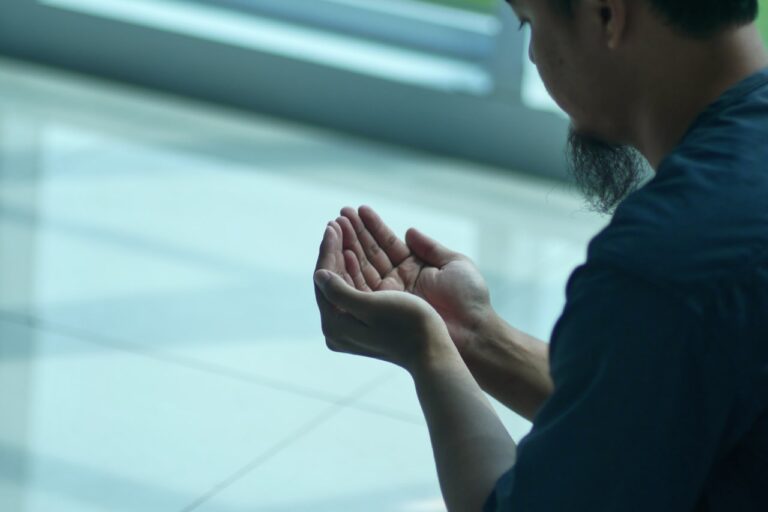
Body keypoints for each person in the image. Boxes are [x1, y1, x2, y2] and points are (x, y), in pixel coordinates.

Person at [313, 0, 768, 510]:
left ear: (607, 15)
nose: (532, 54)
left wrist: (428, 351)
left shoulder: (667, 263)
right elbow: (656, 413)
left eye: (530, 22)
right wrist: (476, 336)